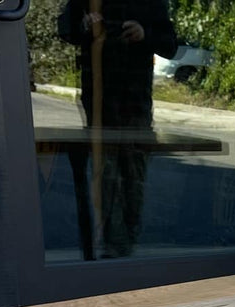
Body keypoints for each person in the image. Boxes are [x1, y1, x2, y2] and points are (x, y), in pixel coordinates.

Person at [57, 0, 176, 257]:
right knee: (106, 172)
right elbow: (65, 28)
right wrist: (84, 25)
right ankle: (111, 245)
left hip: (135, 103)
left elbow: (170, 45)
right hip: (100, 102)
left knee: (133, 175)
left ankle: (126, 246)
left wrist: (144, 34)